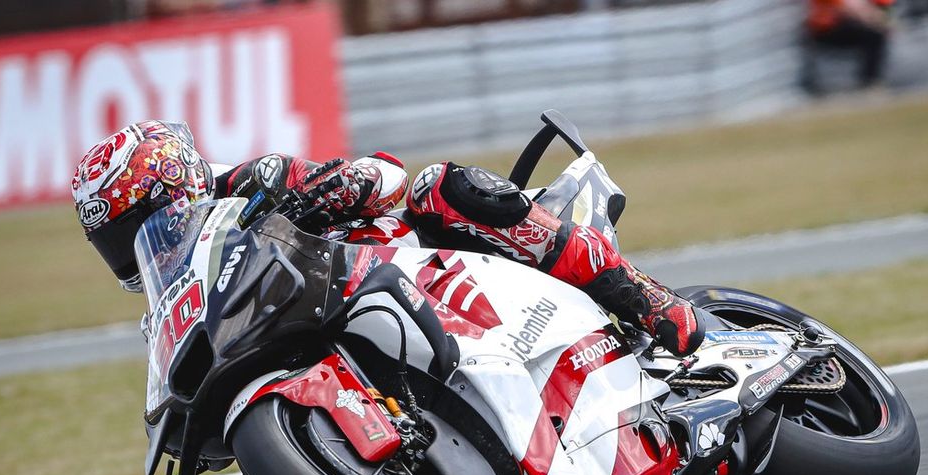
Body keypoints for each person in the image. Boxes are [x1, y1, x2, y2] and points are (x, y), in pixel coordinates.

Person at [71, 120, 703, 356]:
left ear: (176, 185)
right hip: (343, 335)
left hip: (415, 265)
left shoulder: (252, 180)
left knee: (440, 185)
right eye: (115, 242)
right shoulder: (171, 301)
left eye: (135, 225)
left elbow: (387, 175)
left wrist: (338, 186)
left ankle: (641, 295)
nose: (132, 250)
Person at [807, 0, 894, 88]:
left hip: (834, 24)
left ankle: (870, 79)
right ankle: (870, 81)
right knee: (874, 36)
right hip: (825, 29)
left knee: (873, 34)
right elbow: (848, 9)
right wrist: (878, 22)